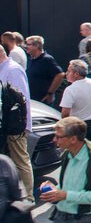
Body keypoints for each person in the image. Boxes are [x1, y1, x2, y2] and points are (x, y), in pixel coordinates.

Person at [41, 117, 91, 223]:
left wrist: (66, 195)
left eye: (59, 137)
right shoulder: (67, 153)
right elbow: (68, 187)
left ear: (73, 139)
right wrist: (54, 190)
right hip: (61, 215)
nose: (54, 140)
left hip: (83, 218)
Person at [0, 44, 32, 195]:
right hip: (6, 125)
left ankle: (29, 197)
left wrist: (20, 127)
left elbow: (21, 101)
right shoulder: (5, 68)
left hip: (15, 127)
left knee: (20, 161)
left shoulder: (12, 70)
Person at [59, 60, 91, 149]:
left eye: (69, 71)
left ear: (76, 74)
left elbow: (65, 113)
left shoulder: (70, 90)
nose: (66, 73)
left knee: (79, 151)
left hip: (77, 126)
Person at [24, 35, 64, 105]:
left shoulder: (47, 59)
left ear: (36, 46)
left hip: (42, 101)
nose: (25, 47)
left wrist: (50, 93)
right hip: (32, 99)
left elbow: (60, 74)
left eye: (28, 44)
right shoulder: (31, 59)